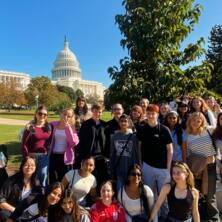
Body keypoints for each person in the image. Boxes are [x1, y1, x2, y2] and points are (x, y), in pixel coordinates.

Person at [136, 104, 173, 221]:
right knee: (149, 194)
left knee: (163, 194)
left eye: (153, 113)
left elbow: (170, 150)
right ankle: (152, 216)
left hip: (162, 168)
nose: (151, 116)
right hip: (147, 166)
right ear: (146, 114)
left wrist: (168, 168)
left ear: (157, 115)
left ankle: (165, 215)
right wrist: (141, 164)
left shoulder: (164, 130)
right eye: (149, 113)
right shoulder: (142, 129)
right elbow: (139, 148)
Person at [186, 112, 220, 221]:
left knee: (210, 196)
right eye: (193, 120)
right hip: (196, 170)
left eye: (198, 121)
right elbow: (187, 154)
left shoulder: (208, 130)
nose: (195, 123)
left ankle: (215, 219)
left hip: (210, 167)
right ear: (189, 122)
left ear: (202, 122)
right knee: (197, 195)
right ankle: (201, 217)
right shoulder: (187, 136)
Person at [0, 156, 41, 221]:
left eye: (32, 165)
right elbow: (1, 200)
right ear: (22, 166)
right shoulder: (12, 180)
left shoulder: (37, 182)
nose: (29, 167)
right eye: (26, 165)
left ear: (36, 167)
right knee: (3, 214)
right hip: (12, 211)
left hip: (29, 213)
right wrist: (15, 210)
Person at [77, 104, 108, 189]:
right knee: (88, 177)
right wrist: (83, 155)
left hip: (101, 156)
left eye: (100, 112)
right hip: (89, 155)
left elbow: (107, 141)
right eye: (95, 111)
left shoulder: (104, 125)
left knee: (101, 177)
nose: (97, 113)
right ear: (92, 111)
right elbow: (81, 141)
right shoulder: (86, 124)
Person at [21, 105, 52, 186]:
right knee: (30, 177)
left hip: (44, 156)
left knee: (43, 176)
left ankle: (42, 195)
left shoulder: (49, 127)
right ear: (36, 114)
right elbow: (24, 143)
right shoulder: (31, 127)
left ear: (47, 116)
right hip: (31, 156)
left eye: (45, 114)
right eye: (40, 113)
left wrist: (48, 153)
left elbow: (49, 142)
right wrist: (26, 157)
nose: (42, 116)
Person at [110, 114, 140, 191]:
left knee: (131, 190)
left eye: (125, 121)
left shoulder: (133, 137)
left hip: (131, 169)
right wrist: (112, 167)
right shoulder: (114, 136)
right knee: (120, 190)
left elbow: (137, 153)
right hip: (119, 169)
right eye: (121, 121)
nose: (123, 123)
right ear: (119, 123)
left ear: (129, 123)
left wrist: (138, 166)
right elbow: (112, 153)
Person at [49, 108, 79, 183]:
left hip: (66, 158)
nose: (66, 117)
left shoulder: (73, 128)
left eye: (68, 116)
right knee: (53, 179)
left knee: (64, 181)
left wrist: (68, 128)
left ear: (71, 117)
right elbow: (42, 124)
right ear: (61, 114)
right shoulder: (54, 124)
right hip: (53, 156)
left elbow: (73, 143)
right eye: (64, 114)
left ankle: (63, 194)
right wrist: (32, 122)